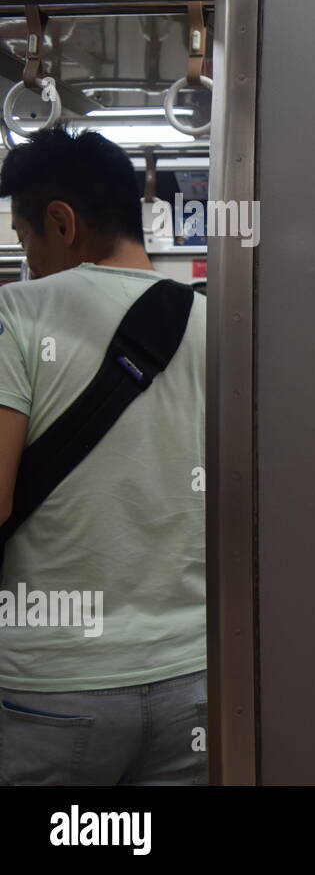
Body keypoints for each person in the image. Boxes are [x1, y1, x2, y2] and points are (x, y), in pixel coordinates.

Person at [0, 127, 206, 784]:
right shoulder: (218, 323)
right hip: (196, 677)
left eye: (24, 238)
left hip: (51, 687)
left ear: (60, 223)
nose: (25, 258)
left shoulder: (17, 313)